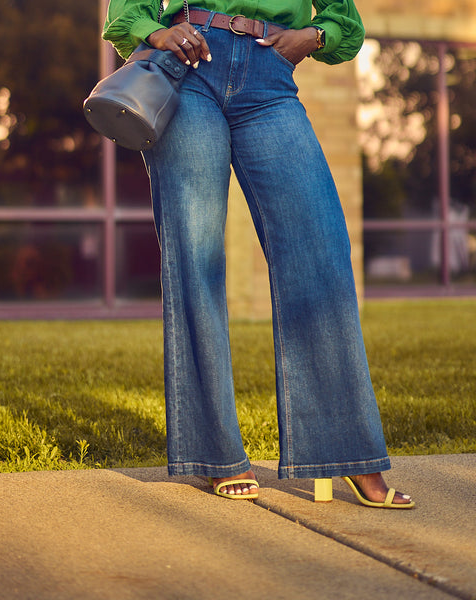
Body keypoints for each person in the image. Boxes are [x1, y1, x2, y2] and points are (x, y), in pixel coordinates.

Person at [103, 0, 414, 507]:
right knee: (196, 257)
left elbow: (345, 23)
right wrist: (154, 33)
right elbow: (127, 10)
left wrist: (310, 38)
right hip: (190, 67)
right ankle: (214, 454)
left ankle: (342, 453)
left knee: (320, 255)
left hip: (270, 79)